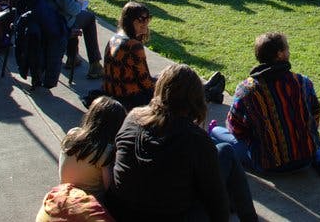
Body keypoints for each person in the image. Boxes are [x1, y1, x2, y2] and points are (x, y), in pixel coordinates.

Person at [109, 63, 258, 222]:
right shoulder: (195, 139)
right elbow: (216, 203)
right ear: (196, 99)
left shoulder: (133, 118)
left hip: (124, 213)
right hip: (173, 214)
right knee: (226, 152)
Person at [210, 32, 320, 178]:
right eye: (287, 48)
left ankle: (212, 134)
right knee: (306, 133)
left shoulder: (246, 90)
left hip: (268, 164)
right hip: (305, 159)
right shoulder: (303, 82)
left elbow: (234, 127)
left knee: (216, 131)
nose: (289, 51)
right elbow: (314, 119)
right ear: (280, 54)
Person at [59, 96, 127, 199]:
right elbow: (109, 187)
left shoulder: (72, 134)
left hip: (65, 195)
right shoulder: (105, 151)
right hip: (90, 203)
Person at [102, 2, 156, 110]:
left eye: (148, 18)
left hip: (109, 94)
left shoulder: (114, 38)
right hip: (128, 98)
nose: (145, 22)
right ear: (129, 21)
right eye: (141, 19)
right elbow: (146, 83)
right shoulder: (133, 46)